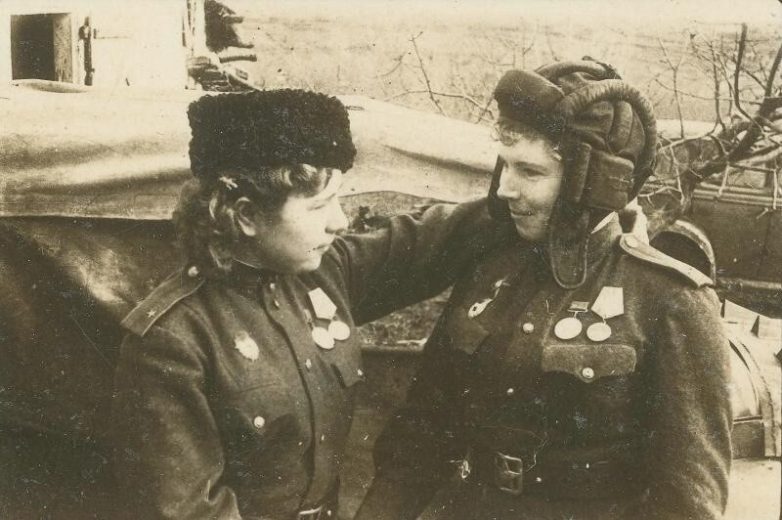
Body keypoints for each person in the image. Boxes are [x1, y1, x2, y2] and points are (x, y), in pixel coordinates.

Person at [355, 60, 732, 520]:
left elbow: (688, 500)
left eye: (530, 172)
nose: (506, 188)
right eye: (506, 167)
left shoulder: (670, 298)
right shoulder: (491, 267)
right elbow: (424, 433)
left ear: (592, 184)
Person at [110, 89, 508, 520]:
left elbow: (435, 240)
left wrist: (524, 196)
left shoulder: (322, 272)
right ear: (246, 216)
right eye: (319, 206)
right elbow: (189, 511)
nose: (340, 221)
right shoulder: (174, 341)